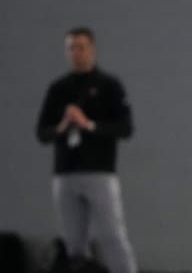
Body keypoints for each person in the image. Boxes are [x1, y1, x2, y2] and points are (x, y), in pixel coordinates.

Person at [36, 27, 137, 273]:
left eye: (80, 46)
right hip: (65, 173)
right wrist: (62, 127)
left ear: (92, 49)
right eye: (71, 47)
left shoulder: (108, 85)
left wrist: (88, 124)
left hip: (99, 172)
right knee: (73, 243)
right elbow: (42, 132)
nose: (76, 52)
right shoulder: (58, 88)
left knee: (111, 235)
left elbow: (125, 128)